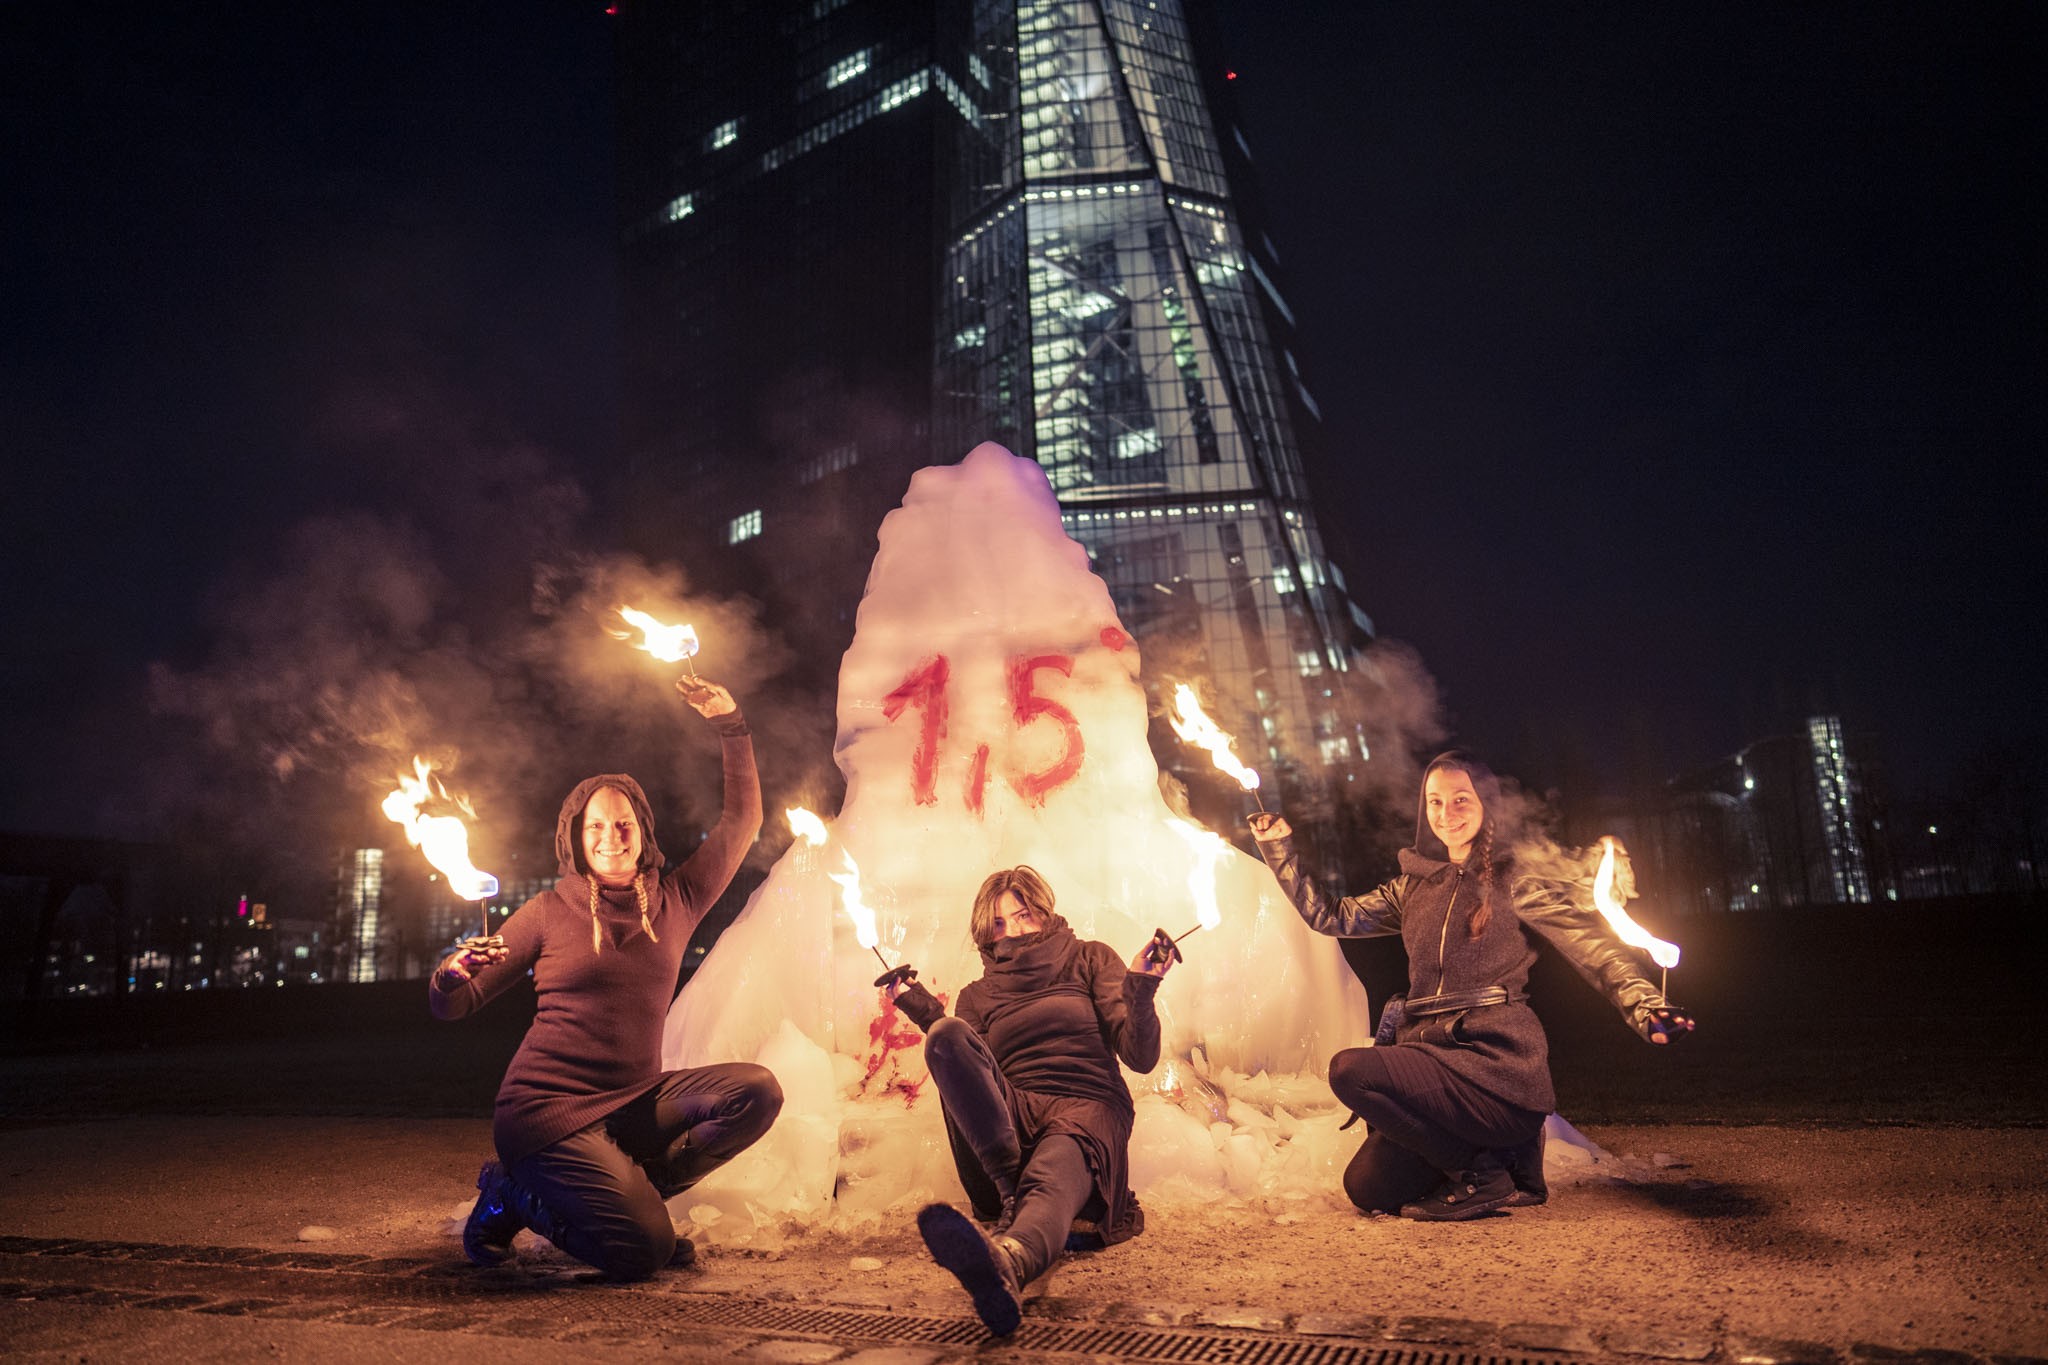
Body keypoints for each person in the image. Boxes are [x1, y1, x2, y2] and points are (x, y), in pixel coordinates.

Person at [429, 678, 779, 1280]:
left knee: (756, 1092)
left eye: (623, 826)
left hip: (633, 1099)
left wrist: (731, 724)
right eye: (596, 827)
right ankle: (511, 1194)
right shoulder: (548, 911)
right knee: (642, 1256)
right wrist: (448, 976)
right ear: (576, 837)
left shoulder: (679, 898)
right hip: (547, 1112)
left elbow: (743, 819)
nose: (611, 838)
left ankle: (634, 1206)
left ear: (642, 831)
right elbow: (454, 1007)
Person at [1249, 749, 1693, 1222]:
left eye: (1461, 799)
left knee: (1350, 1070)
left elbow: (1595, 950)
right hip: (1431, 1058)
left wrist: (1647, 1007)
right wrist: (1280, 849)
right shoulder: (1411, 886)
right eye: (1435, 802)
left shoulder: (1517, 880)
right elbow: (1328, 916)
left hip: (1496, 1070)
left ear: (1487, 805)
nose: (1447, 814)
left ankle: (1483, 1172)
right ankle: (1502, 1166)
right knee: (1366, 1189)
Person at [888, 866, 1173, 1336]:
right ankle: (1006, 1192)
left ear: (1043, 911)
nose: (1012, 931)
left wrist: (1141, 990)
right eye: (998, 924)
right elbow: (976, 1076)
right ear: (985, 933)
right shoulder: (977, 995)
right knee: (946, 1034)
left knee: (1053, 1169)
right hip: (1009, 1122)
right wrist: (929, 1016)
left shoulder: (1089, 959)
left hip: (1085, 1104)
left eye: (1021, 915)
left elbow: (1140, 1057)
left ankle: (1010, 1259)